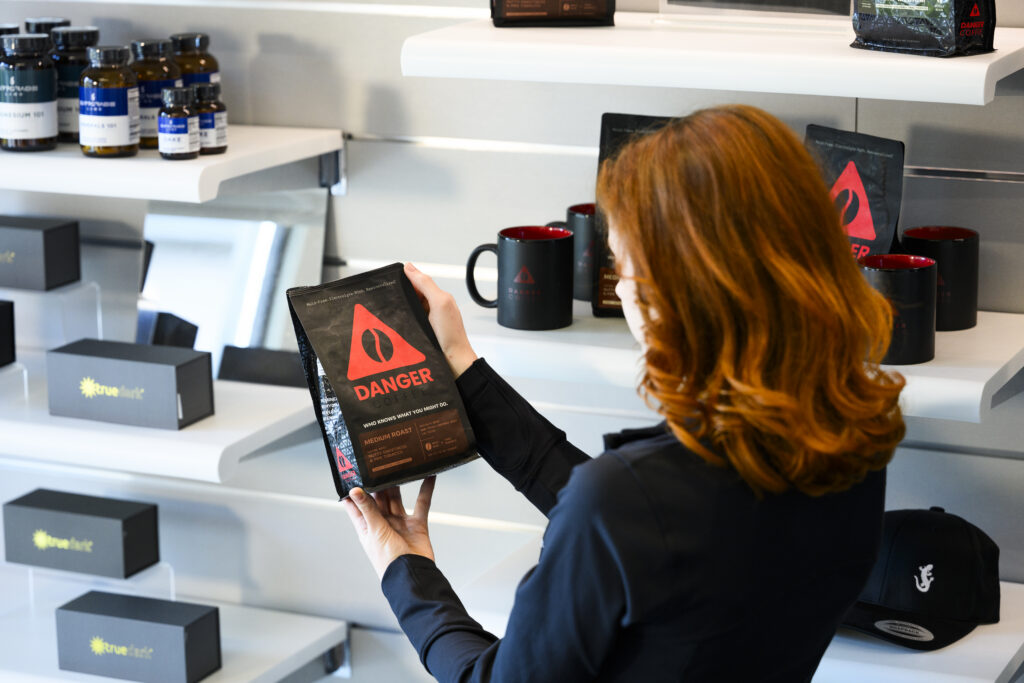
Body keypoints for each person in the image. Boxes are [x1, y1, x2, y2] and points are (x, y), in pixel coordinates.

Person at [341, 104, 906, 682]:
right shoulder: (852, 439)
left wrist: (406, 571)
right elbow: (646, 523)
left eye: (623, 265)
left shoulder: (627, 502)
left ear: (665, 294)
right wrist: (463, 368)